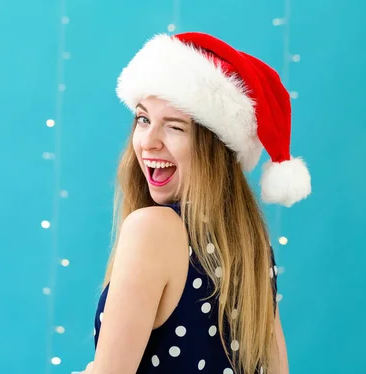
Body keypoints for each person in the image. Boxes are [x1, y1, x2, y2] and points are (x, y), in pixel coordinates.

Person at [74, 32, 311, 374]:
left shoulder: (152, 229)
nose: (148, 143)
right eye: (143, 119)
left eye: (174, 127)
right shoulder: (252, 245)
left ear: (214, 149)